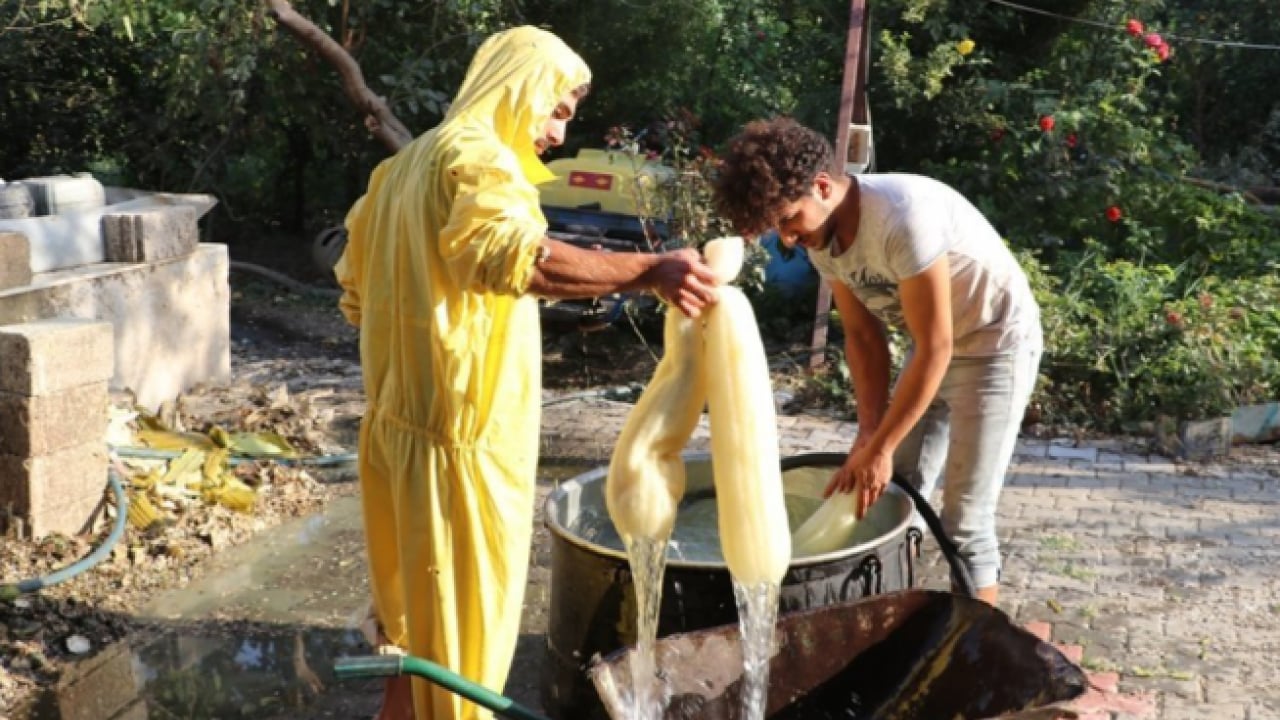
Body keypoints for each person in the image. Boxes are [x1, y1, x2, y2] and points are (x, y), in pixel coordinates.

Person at [335, 26, 719, 720]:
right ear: (520, 88)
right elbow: (523, 261)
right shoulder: (482, 160)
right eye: (559, 108)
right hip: (462, 447)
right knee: (461, 661)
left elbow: (357, 292)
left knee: (409, 642)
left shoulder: (399, 171)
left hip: (396, 435)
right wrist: (648, 271)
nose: (560, 131)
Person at [711, 117, 1042, 606]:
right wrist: (869, 433)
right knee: (895, 495)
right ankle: (893, 620)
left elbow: (937, 346)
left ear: (822, 187)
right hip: (930, 348)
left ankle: (976, 655)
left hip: (995, 347)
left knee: (964, 522)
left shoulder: (901, 216)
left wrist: (883, 446)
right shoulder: (822, 238)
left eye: (787, 220)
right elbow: (863, 337)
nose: (785, 238)